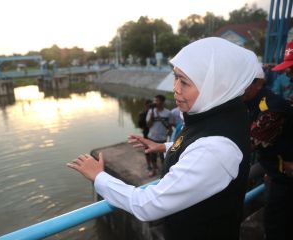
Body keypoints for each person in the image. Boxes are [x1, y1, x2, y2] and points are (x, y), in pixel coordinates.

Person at [67, 37, 261, 240]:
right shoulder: (224, 112)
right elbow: (198, 150)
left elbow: (146, 205)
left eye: (184, 82)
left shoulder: (215, 149)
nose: (175, 88)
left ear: (215, 87)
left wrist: (99, 177)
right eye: (176, 77)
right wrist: (163, 146)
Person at [243, 65, 293, 240]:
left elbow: (248, 143)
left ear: (259, 83)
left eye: (245, 82)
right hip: (273, 169)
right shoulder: (252, 102)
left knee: (276, 224)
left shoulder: (271, 108)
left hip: (283, 176)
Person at [145, 94, 173, 176]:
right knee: (152, 156)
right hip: (152, 138)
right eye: (154, 100)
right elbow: (148, 125)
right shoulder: (151, 111)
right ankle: (154, 170)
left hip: (162, 139)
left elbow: (170, 126)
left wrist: (170, 136)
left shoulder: (168, 113)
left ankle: (164, 173)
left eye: (157, 100)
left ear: (162, 102)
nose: (154, 102)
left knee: (163, 157)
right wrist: (152, 117)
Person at [137, 99, 154, 172]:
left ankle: (153, 166)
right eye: (149, 105)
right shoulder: (142, 114)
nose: (150, 107)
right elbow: (140, 125)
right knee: (147, 150)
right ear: (146, 105)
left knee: (153, 151)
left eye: (151, 105)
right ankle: (149, 166)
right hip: (146, 134)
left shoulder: (155, 113)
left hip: (154, 135)